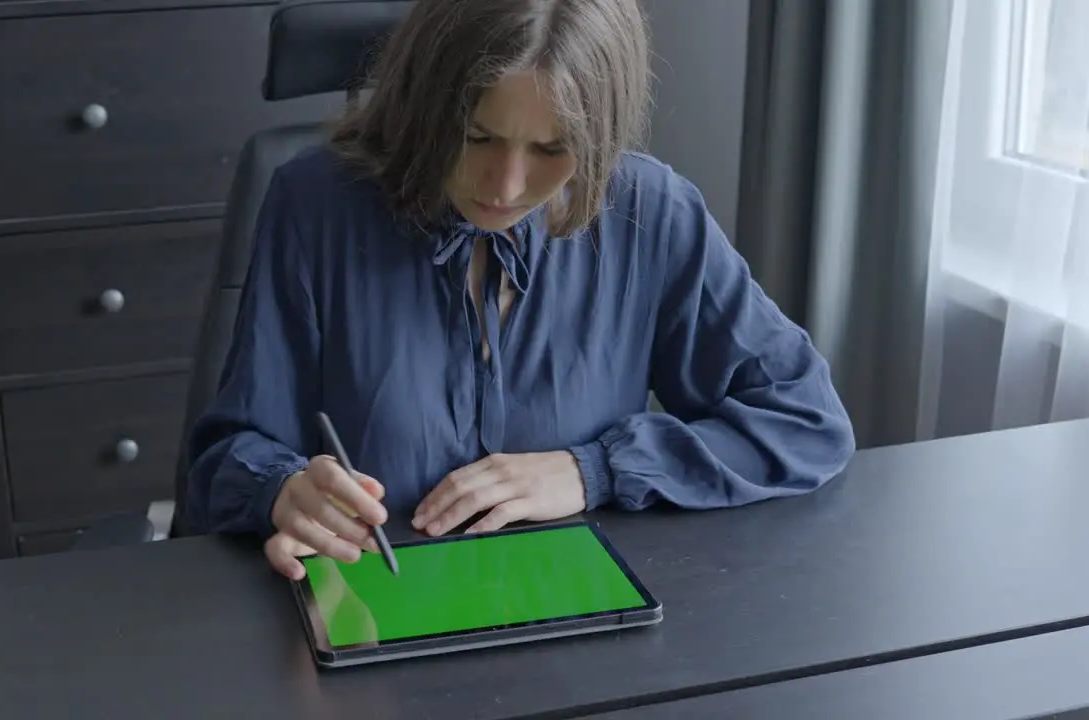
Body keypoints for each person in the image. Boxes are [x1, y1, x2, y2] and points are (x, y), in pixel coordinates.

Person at [187, 0, 856, 580]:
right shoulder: (315, 206)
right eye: (477, 136)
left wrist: (594, 469)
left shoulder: (653, 214)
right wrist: (283, 489)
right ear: (426, 107)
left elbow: (805, 420)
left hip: (574, 632)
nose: (504, 186)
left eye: (552, 150)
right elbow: (227, 455)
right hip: (368, 627)